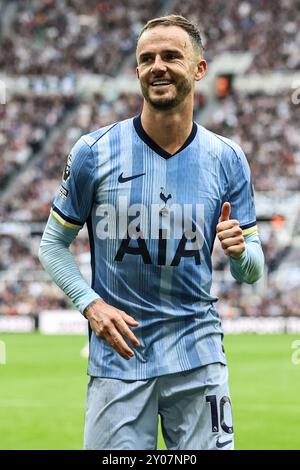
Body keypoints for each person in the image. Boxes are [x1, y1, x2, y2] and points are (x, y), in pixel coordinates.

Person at [39, 14, 264, 450]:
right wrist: (90, 305)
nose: (158, 65)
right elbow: (52, 244)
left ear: (199, 69)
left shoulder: (227, 158)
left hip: (198, 358)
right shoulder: (93, 152)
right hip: (119, 360)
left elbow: (251, 272)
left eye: (171, 56)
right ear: (137, 71)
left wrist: (240, 253)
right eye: (147, 58)